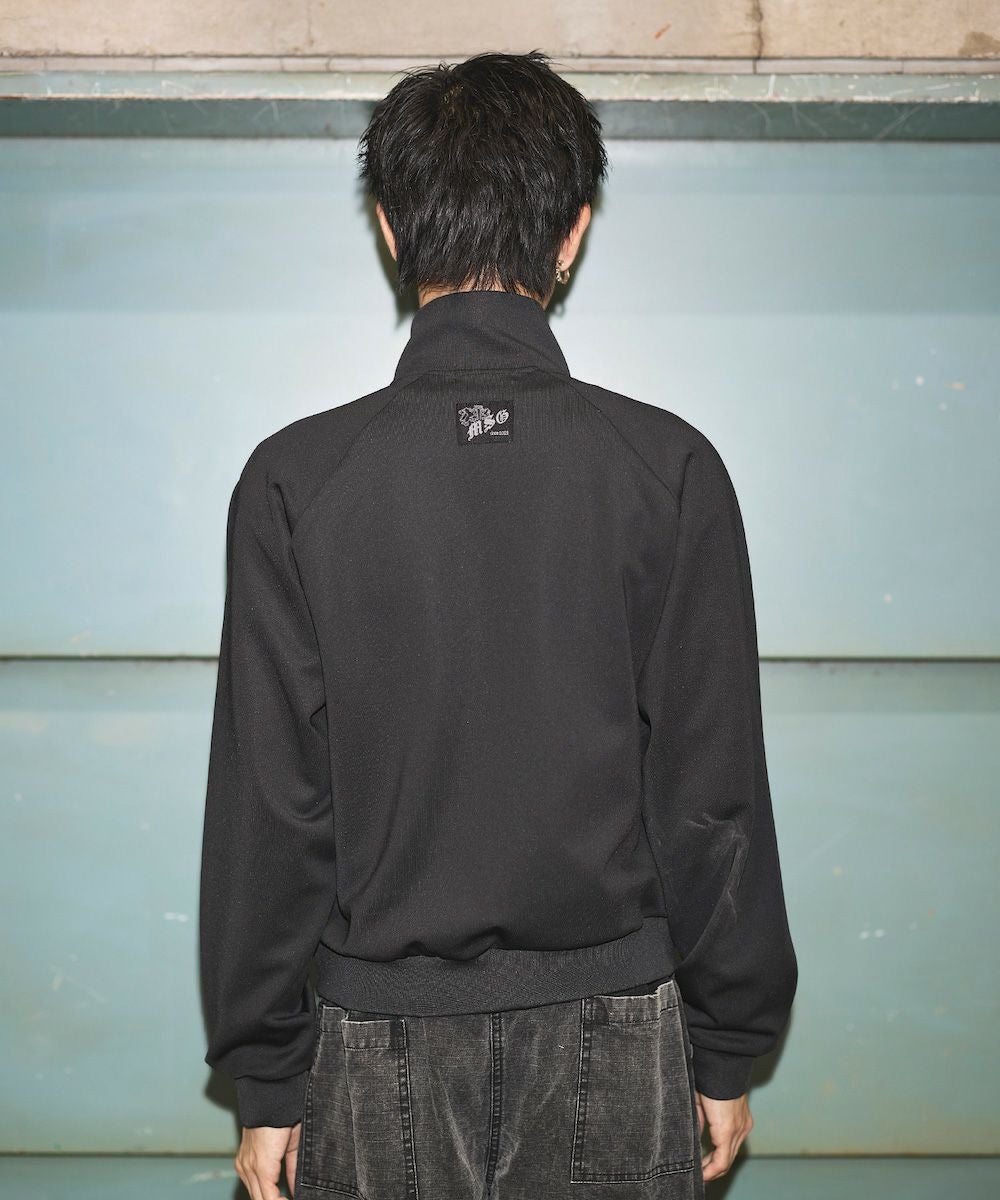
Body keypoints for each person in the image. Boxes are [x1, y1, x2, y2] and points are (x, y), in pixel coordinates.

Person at [199, 49, 798, 1200]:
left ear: (391, 229)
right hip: (619, 1030)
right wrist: (727, 1043)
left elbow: (272, 808)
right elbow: (711, 793)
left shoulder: (295, 482)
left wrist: (267, 1074)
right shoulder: (668, 469)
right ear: (571, 234)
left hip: (373, 1038)